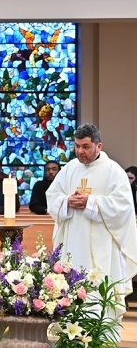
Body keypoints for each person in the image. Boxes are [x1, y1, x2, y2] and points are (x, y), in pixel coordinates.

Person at [46, 123, 137, 311]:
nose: (80, 151)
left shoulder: (114, 171)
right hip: (72, 243)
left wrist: (91, 202)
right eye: (77, 146)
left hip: (102, 246)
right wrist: (67, 201)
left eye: (85, 146)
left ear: (99, 146)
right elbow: (52, 197)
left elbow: (123, 207)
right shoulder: (69, 169)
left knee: (98, 298)